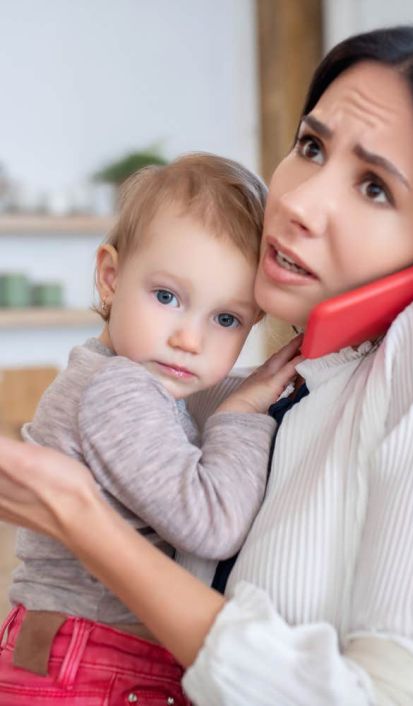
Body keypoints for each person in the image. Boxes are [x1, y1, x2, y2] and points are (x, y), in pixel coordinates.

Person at [0, 24, 413, 706]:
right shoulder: (327, 367)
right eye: (311, 147)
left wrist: (85, 522)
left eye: (374, 187)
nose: (297, 203)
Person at [0, 154, 301, 704]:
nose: (190, 339)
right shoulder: (119, 391)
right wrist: (242, 416)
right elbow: (212, 523)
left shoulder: (120, 375)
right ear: (111, 278)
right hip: (95, 663)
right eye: (167, 297)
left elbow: (199, 396)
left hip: (72, 653)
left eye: (225, 319)